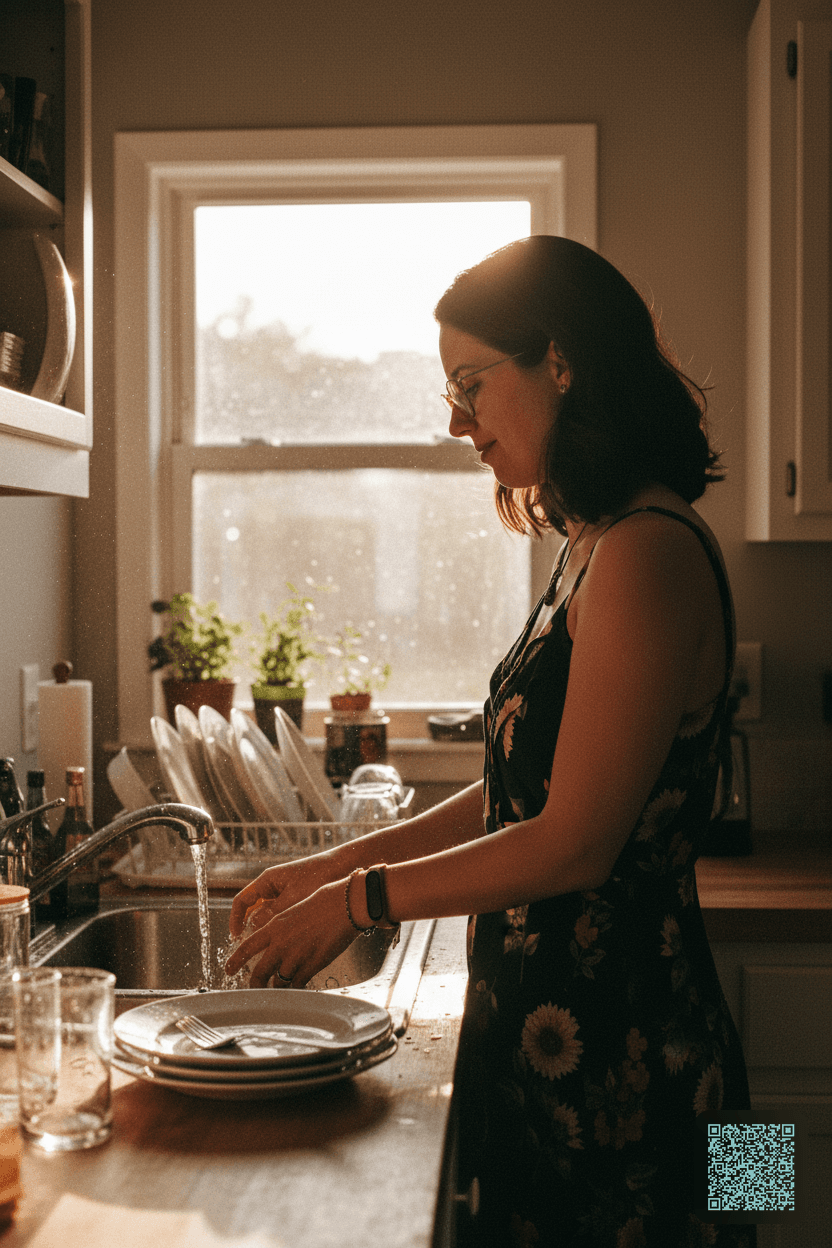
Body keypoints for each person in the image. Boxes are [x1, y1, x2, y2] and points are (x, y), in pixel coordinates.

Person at [226, 236, 755, 1247]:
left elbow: (574, 843)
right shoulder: (592, 541)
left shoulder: (649, 550)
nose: (457, 423)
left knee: (738, 1221)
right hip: (571, 1058)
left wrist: (357, 899)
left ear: (560, 360)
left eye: (470, 386)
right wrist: (337, 865)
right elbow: (522, 789)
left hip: (646, 1079)